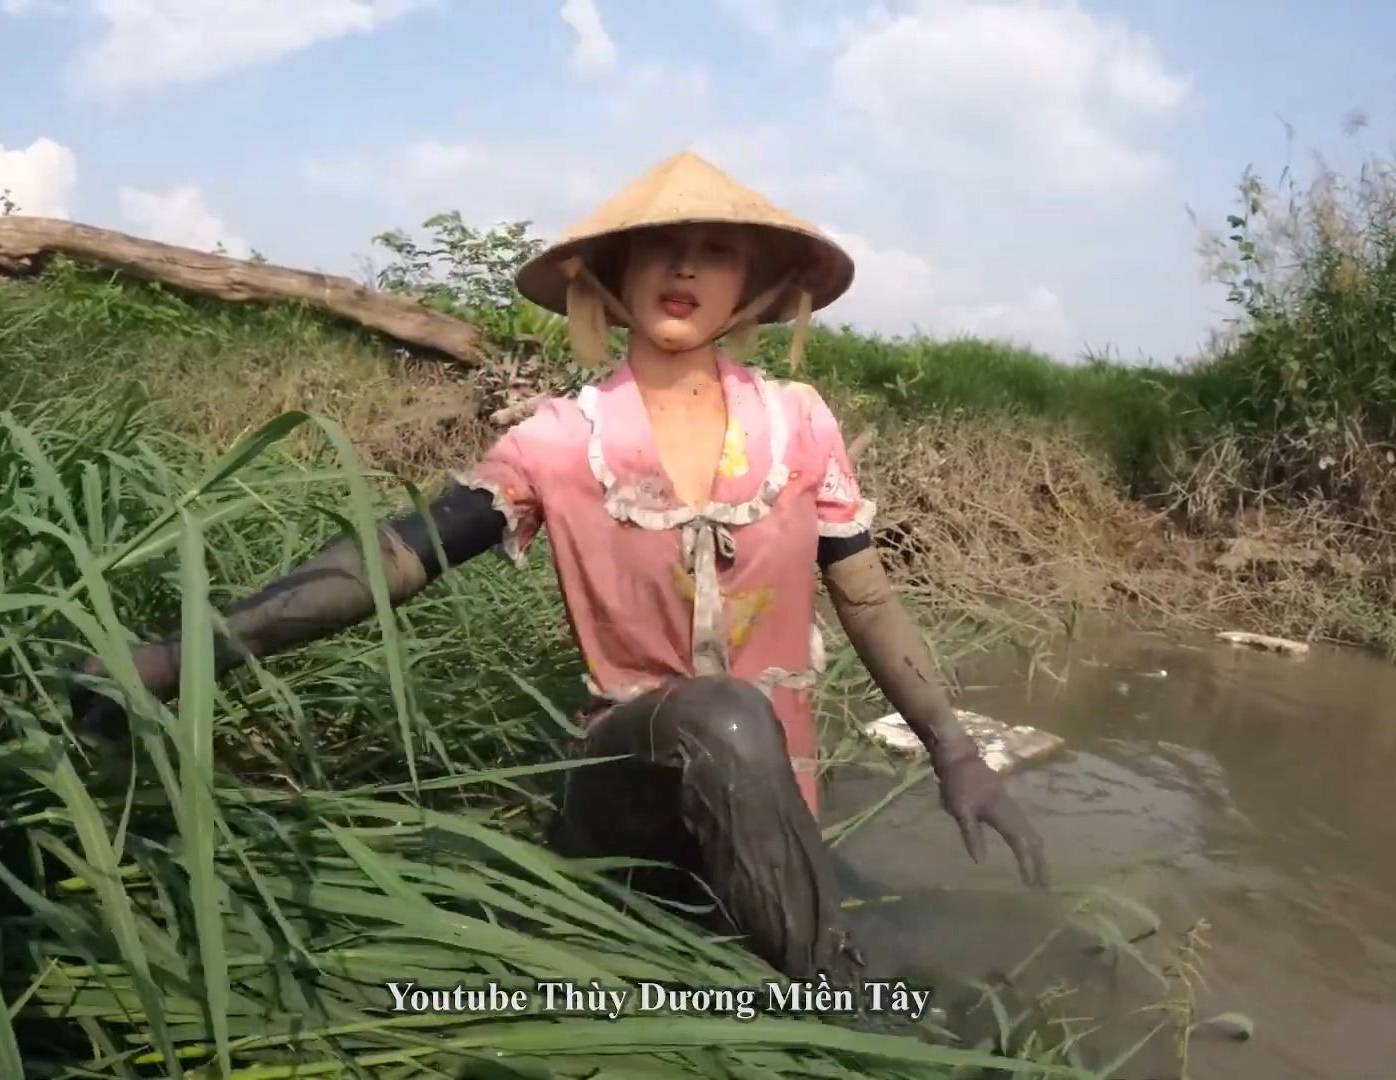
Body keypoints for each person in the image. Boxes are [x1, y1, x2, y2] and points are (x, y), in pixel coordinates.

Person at [71, 151, 1047, 985]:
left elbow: (865, 592)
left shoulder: (800, 423)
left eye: (716, 248)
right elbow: (399, 555)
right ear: (612, 275)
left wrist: (955, 753)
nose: (685, 266)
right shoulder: (560, 440)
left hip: (770, 806)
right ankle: (840, 1016)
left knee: (756, 836)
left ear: (752, 279)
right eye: (660, 245)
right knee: (720, 715)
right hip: (624, 796)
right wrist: (175, 656)